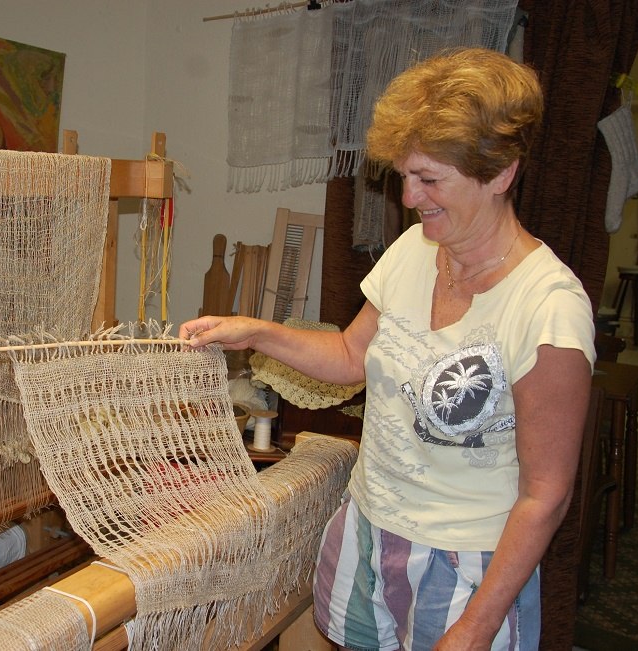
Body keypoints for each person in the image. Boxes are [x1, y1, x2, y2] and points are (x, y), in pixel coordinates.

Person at [180, 48, 595, 650]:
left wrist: (476, 626)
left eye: (430, 179)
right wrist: (258, 332)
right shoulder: (414, 251)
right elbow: (351, 356)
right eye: (404, 175)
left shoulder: (548, 306)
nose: (409, 196)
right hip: (370, 528)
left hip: (466, 564)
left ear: (501, 173)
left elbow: (545, 494)